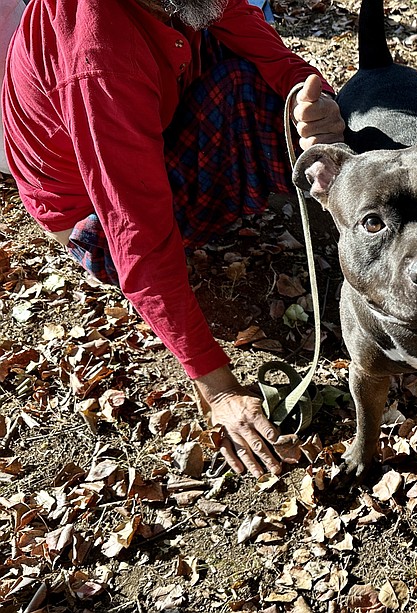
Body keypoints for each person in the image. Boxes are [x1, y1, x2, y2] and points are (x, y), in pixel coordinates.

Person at [1, 0, 345, 478]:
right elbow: (135, 236)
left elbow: (248, 30)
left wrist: (308, 99)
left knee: (253, 79)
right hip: (93, 222)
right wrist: (220, 389)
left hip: (152, 123)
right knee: (242, 87)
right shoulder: (100, 59)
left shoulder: (178, 3)